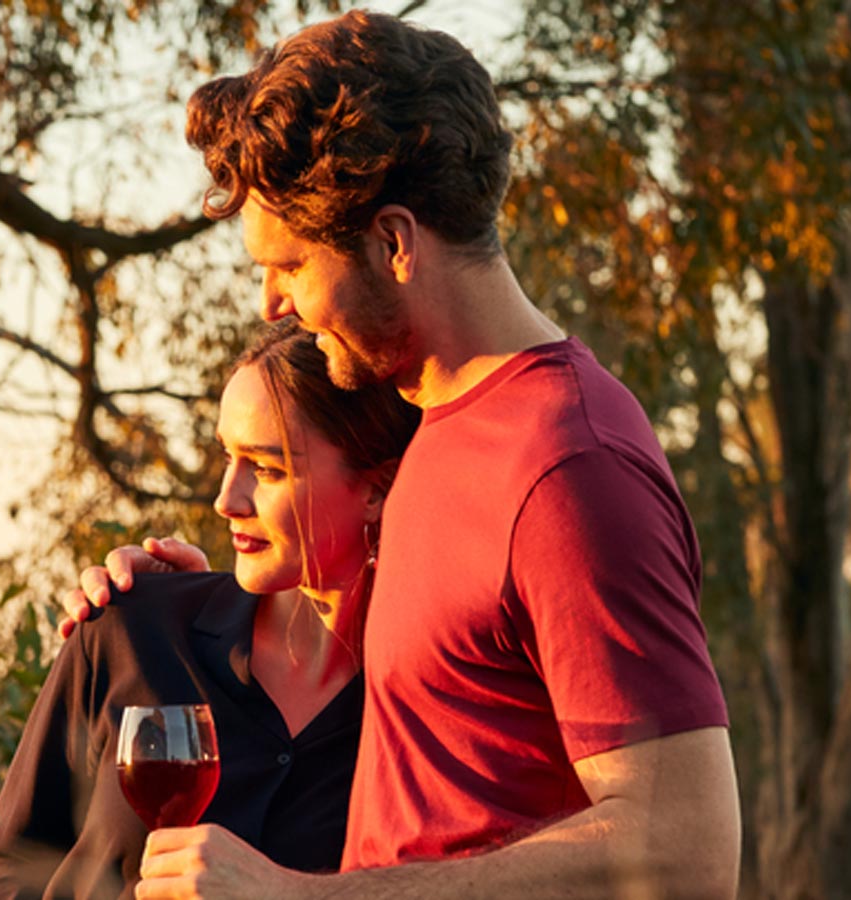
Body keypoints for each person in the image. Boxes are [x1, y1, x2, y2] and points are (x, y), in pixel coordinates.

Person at [60, 10, 741, 899]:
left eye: (292, 265)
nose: (273, 304)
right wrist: (187, 605)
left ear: (393, 243)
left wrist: (301, 899)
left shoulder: (571, 467)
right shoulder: (431, 420)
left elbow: (687, 851)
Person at [0, 321, 420, 898]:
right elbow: (7, 861)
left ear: (377, 489)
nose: (227, 498)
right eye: (228, 455)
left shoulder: (424, 704)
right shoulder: (131, 628)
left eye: (267, 468)